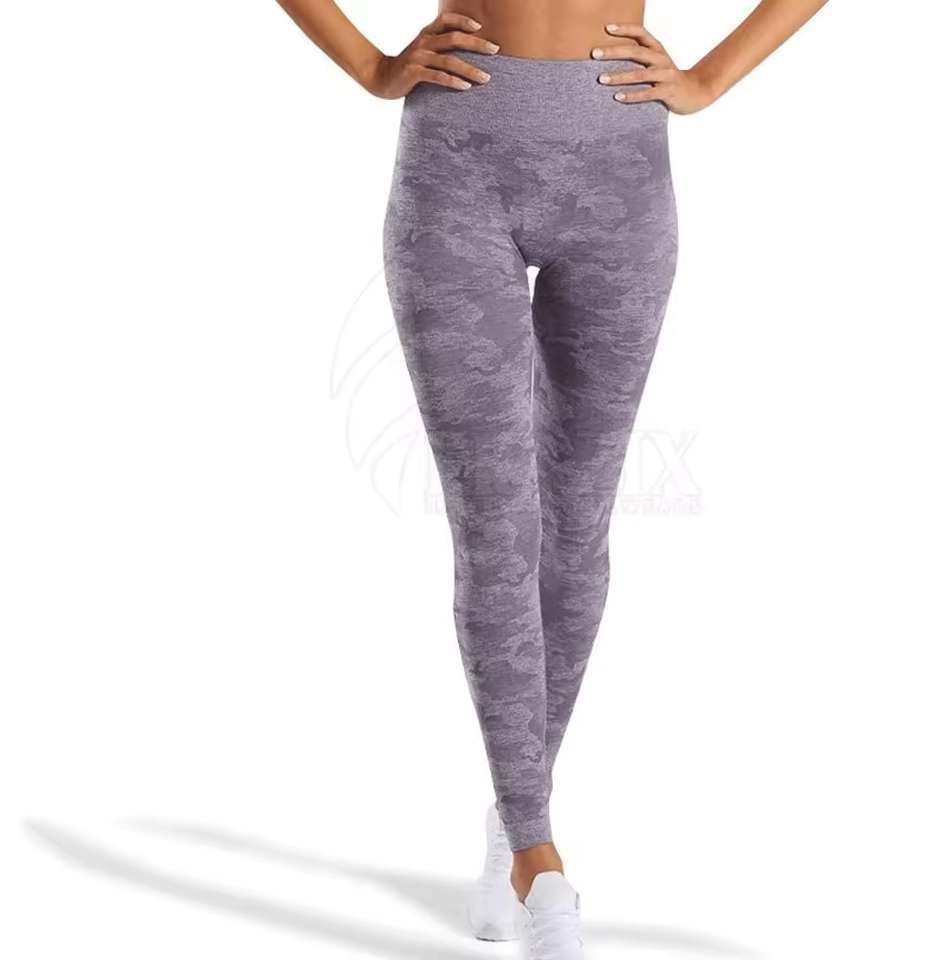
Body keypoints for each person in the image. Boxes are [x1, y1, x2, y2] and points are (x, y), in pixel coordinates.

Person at [273, 1, 829, 956]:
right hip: (459, 166)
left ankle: (514, 807)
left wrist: (708, 80)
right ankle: (538, 853)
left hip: (620, 172)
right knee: (495, 527)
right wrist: (370, 65)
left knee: (577, 525)